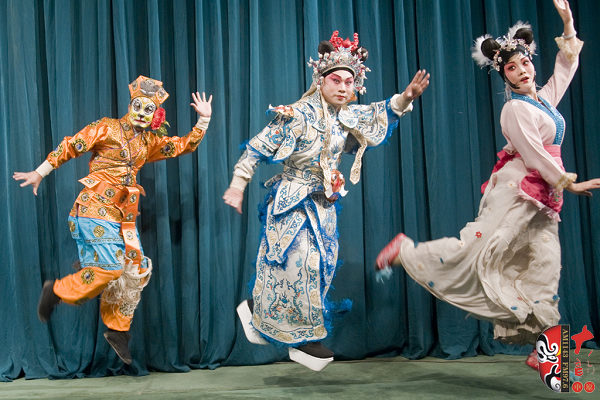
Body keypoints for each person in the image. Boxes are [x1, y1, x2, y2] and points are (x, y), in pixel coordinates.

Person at [375, 0, 600, 370]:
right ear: (504, 75)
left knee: (546, 268)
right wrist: (569, 183)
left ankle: (546, 354)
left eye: (525, 63)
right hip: (517, 192)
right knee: (479, 252)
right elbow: (534, 154)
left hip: (545, 197)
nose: (521, 71)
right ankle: (406, 252)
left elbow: (566, 66)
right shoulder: (515, 109)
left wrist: (568, 23)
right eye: (512, 68)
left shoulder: (543, 102)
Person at [223, 31, 429, 371]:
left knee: (323, 267)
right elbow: (256, 149)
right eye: (336, 80)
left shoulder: (345, 116)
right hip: (293, 201)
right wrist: (237, 186)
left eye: (350, 82)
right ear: (320, 81)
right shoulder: (296, 115)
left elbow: (377, 113)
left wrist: (405, 97)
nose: (344, 88)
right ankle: (306, 340)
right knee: (301, 263)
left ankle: (259, 311)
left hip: (324, 204)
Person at [13, 76, 213, 365]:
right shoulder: (106, 127)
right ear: (130, 105)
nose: (142, 113)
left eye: (149, 109)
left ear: (155, 114)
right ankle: (56, 291)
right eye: (138, 106)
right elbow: (72, 145)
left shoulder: (148, 142)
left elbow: (182, 146)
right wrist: (39, 172)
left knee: (135, 269)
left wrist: (203, 120)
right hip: (93, 208)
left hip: (123, 217)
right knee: (109, 268)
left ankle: (118, 330)